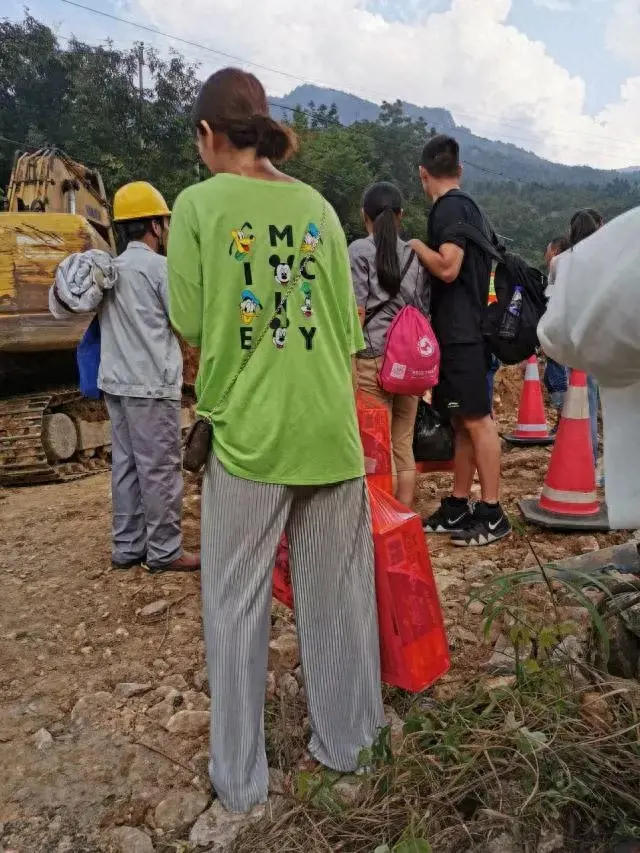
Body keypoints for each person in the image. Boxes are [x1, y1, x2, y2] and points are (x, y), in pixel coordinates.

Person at [167, 68, 385, 815]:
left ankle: (241, 785)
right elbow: (350, 333)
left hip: (250, 435)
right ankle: (352, 753)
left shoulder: (198, 205)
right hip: (328, 430)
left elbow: (190, 322)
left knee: (235, 605)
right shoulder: (319, 207)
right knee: (338, 602)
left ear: (207, 134)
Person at [409, 134, 511, 546]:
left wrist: (416, 245)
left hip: (464, 333)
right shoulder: (470, 208)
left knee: (478, 420)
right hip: (464, 331)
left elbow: (448, 267)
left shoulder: (449, 207)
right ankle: (457, 504)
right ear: (460, 169)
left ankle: (492, 512)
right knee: (462, 420)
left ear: (423, 173)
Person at [103, 182, 200, 574]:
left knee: (125, 465)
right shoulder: (160, 269)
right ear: (156, 226)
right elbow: (185, 322)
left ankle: (127, 546)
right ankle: (164, 550)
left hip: (116, 383)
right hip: (151, 385)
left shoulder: (111, 269)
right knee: (159, 468)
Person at [538, 203, 640, 528]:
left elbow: (553, 313)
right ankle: (602, 467)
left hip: (580, 350)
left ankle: (592, 462)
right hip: (607, 352)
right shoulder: (609, 259)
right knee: (604, 408)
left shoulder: (567, 264)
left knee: (590, 406)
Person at [349, 181, 430, 506]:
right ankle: (404, 513)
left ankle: (381, 516)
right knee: (402, 443)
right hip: (407, 362)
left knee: (376, 447)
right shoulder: (416, 254)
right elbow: (422, 310)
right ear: (401, 215)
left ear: (364, 215)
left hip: (372, 360)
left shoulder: (358, 251)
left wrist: (348, 359)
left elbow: (357, 311)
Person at [568, 210, 603, 469]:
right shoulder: (609, 258)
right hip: (608, 338)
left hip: (579, 341)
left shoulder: (567, 262)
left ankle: (587, 459)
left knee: (586, 399)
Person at [542, 235, 571, 431]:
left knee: (557, 375)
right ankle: (565, 418)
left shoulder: (558, 264)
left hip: (558, 331)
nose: (546, 255)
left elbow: (552, 299)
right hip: (565, 330)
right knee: (554, 375)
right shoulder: (572, 266)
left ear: (554, 251)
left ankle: (564, 418)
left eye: (547, 250)